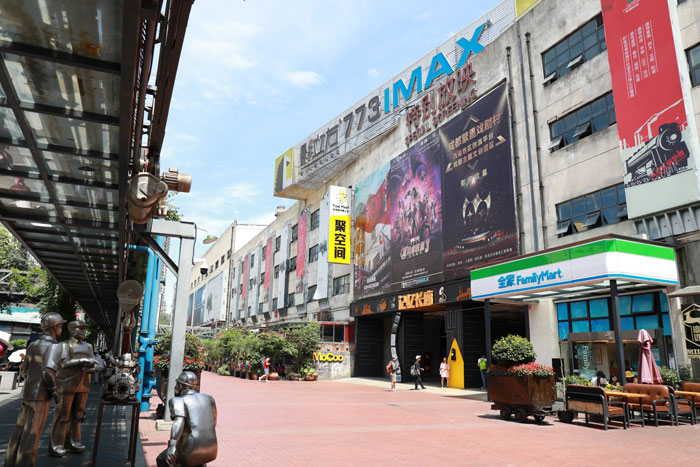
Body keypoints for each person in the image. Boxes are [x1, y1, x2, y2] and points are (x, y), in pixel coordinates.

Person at [5, 312, 65, 466]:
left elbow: (24, 370)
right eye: (60, 325)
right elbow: (49, 372)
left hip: (27, 392)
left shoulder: (33, 345)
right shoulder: (56, 346)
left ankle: (10, 462)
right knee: (32, 433)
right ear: (55, 327)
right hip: (41, 395)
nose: (61, 328)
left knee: (19, 430)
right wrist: (55, 391)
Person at [48, 320, 98, 456]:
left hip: (83, 384)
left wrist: (92, 368)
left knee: (78, 415)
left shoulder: (88, 346)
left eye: (84, 329)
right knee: (62, 415)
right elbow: (64, 364)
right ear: (71, 330)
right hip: (66, 384)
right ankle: (56, 444)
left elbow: (94, 363)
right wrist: (84, 361)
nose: (83, 331)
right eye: (80, 328)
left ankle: (73, 442)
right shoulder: (64, 345)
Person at [156, 371, 218, 467]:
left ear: (181, 386)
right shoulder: (209, 399)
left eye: (177, 384)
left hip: (190, 451)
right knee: (199, 461)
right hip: (211, 449)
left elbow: (179, 422)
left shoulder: (177, 400)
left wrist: (172, 445)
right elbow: (213, 421)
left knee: (162, 460)